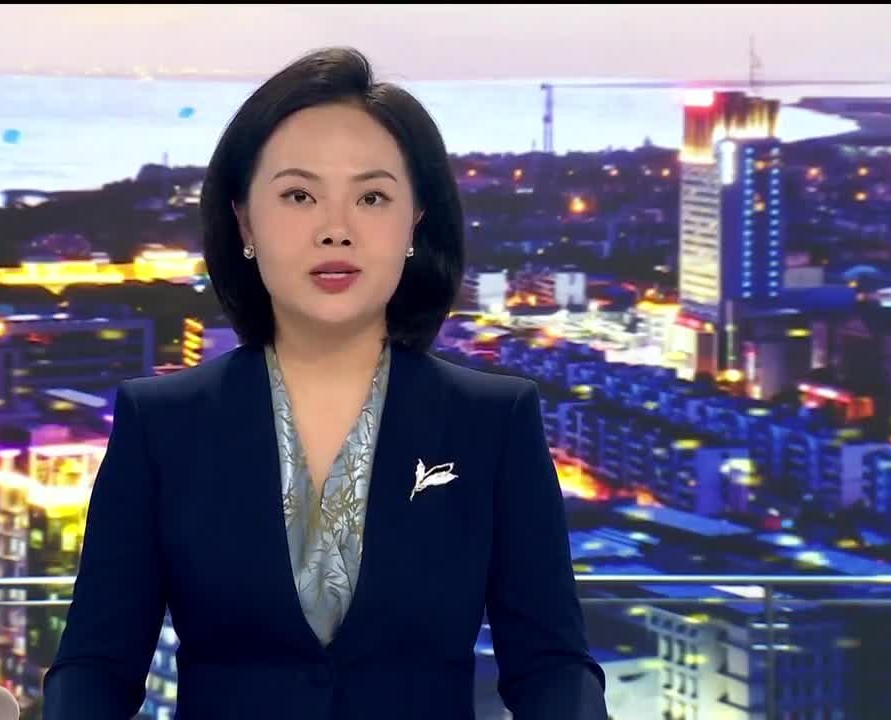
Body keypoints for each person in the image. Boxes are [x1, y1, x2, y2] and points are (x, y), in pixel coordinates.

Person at [42, 46, 606, 720]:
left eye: (371, 197)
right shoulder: (161, 424)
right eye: (299, 196)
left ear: (414, 222)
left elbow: (551, 666)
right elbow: (97, 667)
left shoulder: (494, 422)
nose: (336, 230)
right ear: (245, 221)